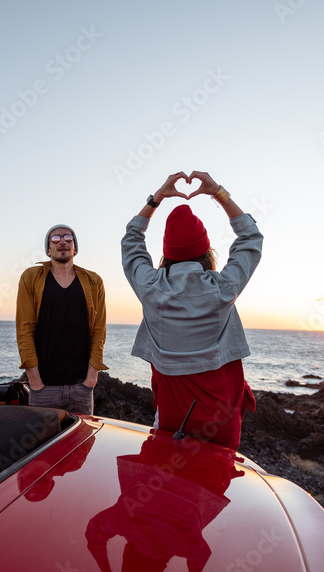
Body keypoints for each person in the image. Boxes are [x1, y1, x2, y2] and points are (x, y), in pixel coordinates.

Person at [121, 171, 262, 449]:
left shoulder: (150, 287)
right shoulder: (223, 287)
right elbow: (250, 236)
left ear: (166, 255)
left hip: (175, 415)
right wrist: (218, 193)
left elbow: (132, 239)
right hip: (220, 416)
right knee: (214, 485)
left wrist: (157, 197)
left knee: (169, 482)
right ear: (207, 252)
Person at [16, 224, 107, 415]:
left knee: (82, 442)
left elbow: (99, 330)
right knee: (42, 443)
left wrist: (91, 378)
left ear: (75, 248)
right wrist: (35, 381)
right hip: (44, 387)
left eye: (68, 238)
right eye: (55, 239)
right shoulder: (31, 278)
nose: (62, 241)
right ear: (48, 249)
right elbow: (24, 329)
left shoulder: (94, 281)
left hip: (81, 386)